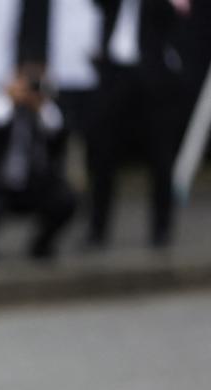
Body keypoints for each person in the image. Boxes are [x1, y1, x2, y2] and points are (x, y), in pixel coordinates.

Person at [86, 0, 191, 248]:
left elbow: (178, 21)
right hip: (114, 79)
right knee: (102, 158)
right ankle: (97, 230)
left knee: (161, 159)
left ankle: (161, 230)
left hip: (153, 83)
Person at [0, 58, 77, 261]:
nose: (29, 86)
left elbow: (60, 135)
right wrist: (8, 99)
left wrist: (42, 105)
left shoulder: (48, 106)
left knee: (67, 200)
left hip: (37, 184)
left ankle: (41, 246)